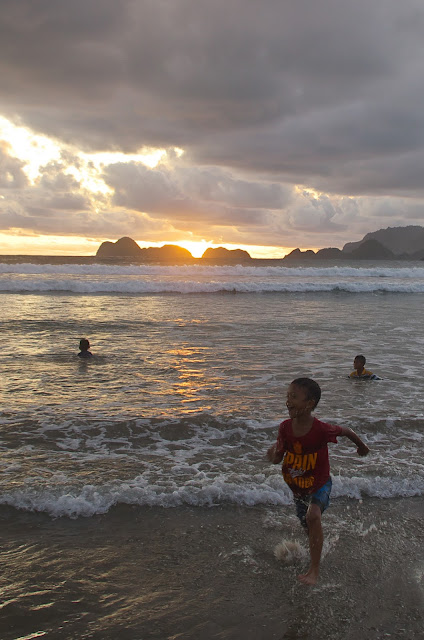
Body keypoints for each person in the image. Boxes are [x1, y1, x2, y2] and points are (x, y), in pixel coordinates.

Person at [267, 377, 369, 586]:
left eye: (294, 397)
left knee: (313, 515)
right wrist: (272, 455)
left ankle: (314, 571)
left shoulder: (321, 429)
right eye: (288, 395)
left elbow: (346, 431)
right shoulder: (285, 427)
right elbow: (279, 457)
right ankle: (316, 552)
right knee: (308, 526)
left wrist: (362, 447)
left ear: (310, 404)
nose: (288, 400)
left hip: (320, 483)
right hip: (298, 489)